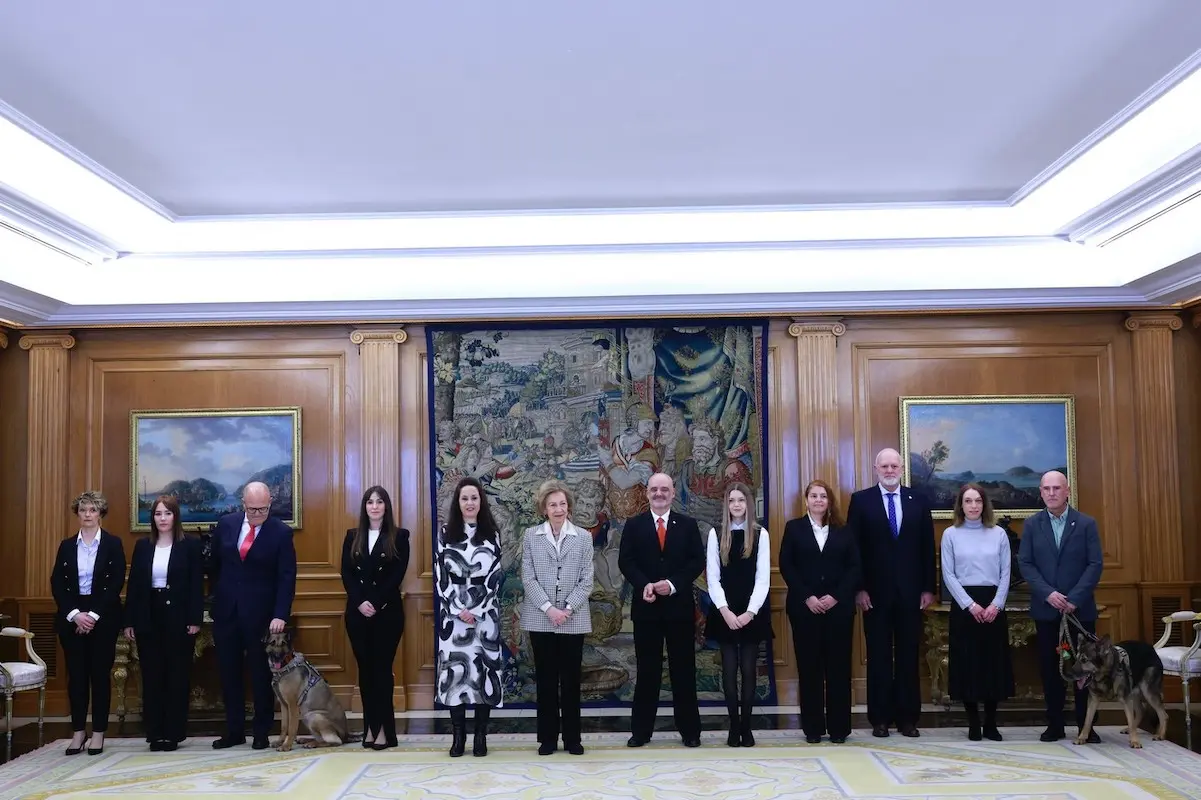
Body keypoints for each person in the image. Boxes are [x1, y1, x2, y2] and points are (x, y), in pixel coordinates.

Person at [848, 447, 935, 738]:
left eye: (893, 466)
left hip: (912, 594)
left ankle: (908, 719)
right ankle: (880, 719)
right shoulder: (861, 501)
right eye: (883, 466)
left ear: (901, 469)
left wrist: (928, 588)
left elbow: (926, 548)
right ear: (876, 468)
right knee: (879, 657)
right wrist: (859, 588)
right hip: (874, 595)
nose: (889, 470)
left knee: (909, 656)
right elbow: (854, 550)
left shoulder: (919, 501)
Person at [618, 472, 705, 748]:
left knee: (683, 671)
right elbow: (626, 562)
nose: (659, 493)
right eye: (654, 489)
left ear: (671, 493)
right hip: (647, 609)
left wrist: (671, 584)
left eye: (664, 489)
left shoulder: (688, 525)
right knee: (648, 672)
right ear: (647, 493)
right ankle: (641, 732)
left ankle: (690, 732)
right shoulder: (634, 525)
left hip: (679, 610)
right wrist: (644, 584)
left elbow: (696, 562)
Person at [208, 481, 297, 750]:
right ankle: (234, 731)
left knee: (260, 675)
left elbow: (286, 576)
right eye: (253, 509)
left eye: (263, 508)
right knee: (228, 673)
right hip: (226, 612)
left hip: (262, 616)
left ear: (270, 503)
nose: (258, 514)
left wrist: (280, 614)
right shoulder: (226, 525)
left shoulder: (281, 533)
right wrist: (217, 597)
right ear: (243, 504)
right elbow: (214, 566)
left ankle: (261, 731)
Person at [1018, 470, 1103, 743]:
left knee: (1085, 669)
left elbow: (1095, 564)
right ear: (1040, 492)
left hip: (1080, 612)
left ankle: (1085, 726)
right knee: (1051, 668)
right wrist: (1049, 593)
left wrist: (1074, 598)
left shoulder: (1086, 524)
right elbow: (1026, 564)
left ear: (1067, 491)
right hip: (1046, 610)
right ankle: (1054, 724)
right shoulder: (1032, 525)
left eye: (1057, 488)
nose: (1052, 493)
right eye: (1046, 489)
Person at [779, 479, 860, 744]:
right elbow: (787, 566)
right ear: (806, 500)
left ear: (829, 501)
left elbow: (854, 568)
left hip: (839, 610)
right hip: (805, 610)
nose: (818, 500)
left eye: (823, 496)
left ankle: (839, 729)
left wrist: (836, 597)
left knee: (838, 670)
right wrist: (809, 597)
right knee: (809, 670)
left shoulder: (844, 531)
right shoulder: (794, 529)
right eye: (813, 496)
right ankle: (813, 729)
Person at [519, 479, 595, 756]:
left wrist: (568, 609)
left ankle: (573, 739)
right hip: (541, 618)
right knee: (546, 680)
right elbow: (528, 577)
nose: (558, 509)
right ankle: (547, 739)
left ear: (569, 507)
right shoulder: (531, 536)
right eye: (553, 505)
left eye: (562, 504)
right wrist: (549, 608)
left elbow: (587, 581)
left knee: (572, 681)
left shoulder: (584, 537)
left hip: (573, 619)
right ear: (544, 509)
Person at [123, 495, 204, 751]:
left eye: (167, 514)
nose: (162, 519)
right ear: (153, 518)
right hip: (149, 617)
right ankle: (155, 733)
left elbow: (195, 585)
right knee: (153, 675)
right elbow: (134, 585)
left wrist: (194, 619)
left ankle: (174, 733)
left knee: (177, 676)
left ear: (175, 516)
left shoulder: (189, 545)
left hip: (179, 618)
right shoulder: (143, 546)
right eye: (158, 514)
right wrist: (130, 621)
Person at [50, 491, 126, 756]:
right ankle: (79, 732)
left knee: (99, 676)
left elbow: (115, 583)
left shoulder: (113, 544)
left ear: (100, 513)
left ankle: (98, 733)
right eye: (83, 510)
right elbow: (57, 583)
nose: (87, 515)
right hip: (71, 618)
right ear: (78, 514)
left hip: (102, 618)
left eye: (93, 510)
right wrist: (74, 614)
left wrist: (92, 616)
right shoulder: (66, 545)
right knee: (77, 678)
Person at [434, 476, 503, 757]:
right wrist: (457, 609)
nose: (470, 503)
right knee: (455, 675)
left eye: (474, 498)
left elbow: (496, 577)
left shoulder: (492, 533)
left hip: (485, 616)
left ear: (480, 501)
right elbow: (440, 576)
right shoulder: (445, 532)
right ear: (458, 502)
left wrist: (475, 610)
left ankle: (481, 736)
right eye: (465, 498)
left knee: (484, 672)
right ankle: (458, 736)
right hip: (453, 618)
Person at [941, 483, 1014, 741]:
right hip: (964, 606)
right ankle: (973, 722)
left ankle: (991, 723)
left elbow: (1006, 572)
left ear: (985, 504)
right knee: (967, 665)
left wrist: (997, 604)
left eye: (978, 501)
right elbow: (948, 574)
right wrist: (970, 605)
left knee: (992, 665)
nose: (973, 506)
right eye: (968, 501)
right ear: (961, 505)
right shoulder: (950, 534)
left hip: (993, 603)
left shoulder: (998, 534)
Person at [340, 486, 410, 750]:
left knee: (381, 672)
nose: (375, 506)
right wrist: (360, 602)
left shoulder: (399, 536)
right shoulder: (352, 536)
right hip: (357, 614)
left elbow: (396, 575)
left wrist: (376, 603)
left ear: (386, 507)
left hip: (387, 614)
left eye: (380, 502)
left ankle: (384, 731)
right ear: (364, 507)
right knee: (365, 672)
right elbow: (346, 573)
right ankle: (370, 727)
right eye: (370, 502)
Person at [704, 482, 772, 747]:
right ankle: (733, 726)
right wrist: (726, 612)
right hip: (725, 611)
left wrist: (750, 613)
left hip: (752, 611)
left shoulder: (760, 534)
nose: (736, 505)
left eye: (741, 500)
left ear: (748, 503)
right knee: (730, 671)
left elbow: (763, 579)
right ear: (726, 504)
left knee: (748, 669)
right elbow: (713, 577)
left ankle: (747, 726)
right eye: (732, 500)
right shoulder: (716, 533)